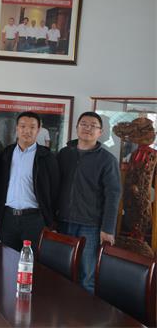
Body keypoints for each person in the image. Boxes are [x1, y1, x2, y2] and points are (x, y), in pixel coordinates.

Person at [56, 111, 121, 293]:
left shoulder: (107, 160)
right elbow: (54, 187)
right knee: (61, 273)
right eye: (84, 124)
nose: (88, 128)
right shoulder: (64, 154)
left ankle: (85, 311)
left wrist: (108, 228)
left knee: (87, 277)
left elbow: (113, 195)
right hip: (63, 222)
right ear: (76, 128)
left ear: (100, 132)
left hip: (90, 226)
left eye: (93, 126)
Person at [0, 112, 59, 252]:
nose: (27, 131)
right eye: (23, 126)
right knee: (7, 260)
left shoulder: (46, 157)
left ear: (38, 130)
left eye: (32, 127)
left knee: (33, 261)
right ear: (17, 128)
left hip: (35, 219)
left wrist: (50, 220)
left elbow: (54, 190)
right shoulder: (6, 154)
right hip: (8, 218)